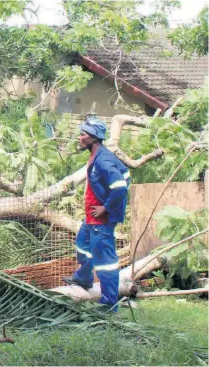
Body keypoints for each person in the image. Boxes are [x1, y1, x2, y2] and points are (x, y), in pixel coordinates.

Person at [62, 114, 130, 312]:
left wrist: (106, 208)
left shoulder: (103, 160)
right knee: (83, 246)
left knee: (106, 263)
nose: (79, 137)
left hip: (102, 220)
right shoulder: (96, 156)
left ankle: (110, 305)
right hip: (91, 219)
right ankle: (84, 278)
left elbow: (119, 187)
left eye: (82, 134)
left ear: (93, 138)